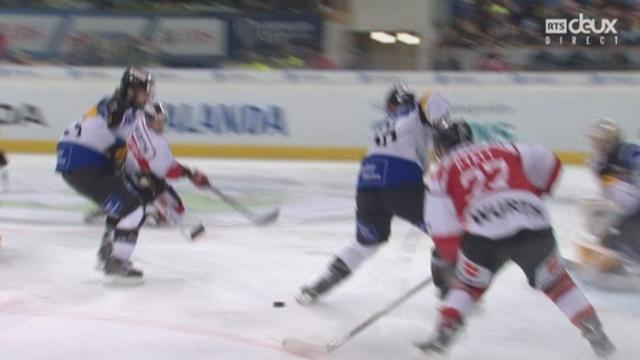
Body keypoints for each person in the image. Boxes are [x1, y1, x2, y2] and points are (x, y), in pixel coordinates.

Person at [416, 121, 615, 358]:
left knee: (467, 286)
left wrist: (457, 260)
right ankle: (598, 338)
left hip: (484, 237)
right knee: (558, 284)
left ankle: (441, 338)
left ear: (440, 149)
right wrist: (534, 193)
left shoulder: (441, 173)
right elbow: (550, 161)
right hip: (534, 227)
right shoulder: (505, 149)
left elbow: (442, 230)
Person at [296, 84, 453, 304]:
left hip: (367, 184)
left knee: (367, 242)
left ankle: (320, 284)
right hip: (401, 182)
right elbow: (434, 100)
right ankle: (448, 291)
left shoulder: (384, 126)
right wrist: (445, 125)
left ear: (391, 106)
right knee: (447, 228)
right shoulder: (416, 114)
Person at [55, 67, 154, 279]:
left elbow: (119, 152)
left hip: (79, 162)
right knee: (133, 209)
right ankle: (116, 261)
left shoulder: (116, 106)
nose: (148, 96)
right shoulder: (120, 108)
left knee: (127, 201)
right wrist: (144, 173)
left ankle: (107, 252)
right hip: (84, 163)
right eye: (144, 91)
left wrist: (137, 173)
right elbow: (115, 118)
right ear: (130, 90)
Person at [124, 102, 211, 229]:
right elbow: (167, 171)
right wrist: (190, 174)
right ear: (148, 120)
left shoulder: (137, 120)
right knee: (177, 209)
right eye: (157, 121)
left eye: (162, 120)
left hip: (119, 170)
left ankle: (125, 204)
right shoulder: (158, 144)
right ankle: (143, 214)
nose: (160, 125)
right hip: (141, 178)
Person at [582, 119, 640, 267]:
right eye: (597, 141)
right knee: (592, 210)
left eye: (604, 141)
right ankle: (608, 246)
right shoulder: (598, 163)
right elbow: (607, 191)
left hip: (634, 203)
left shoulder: (629, 152)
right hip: (625, 206)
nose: (600, 145)